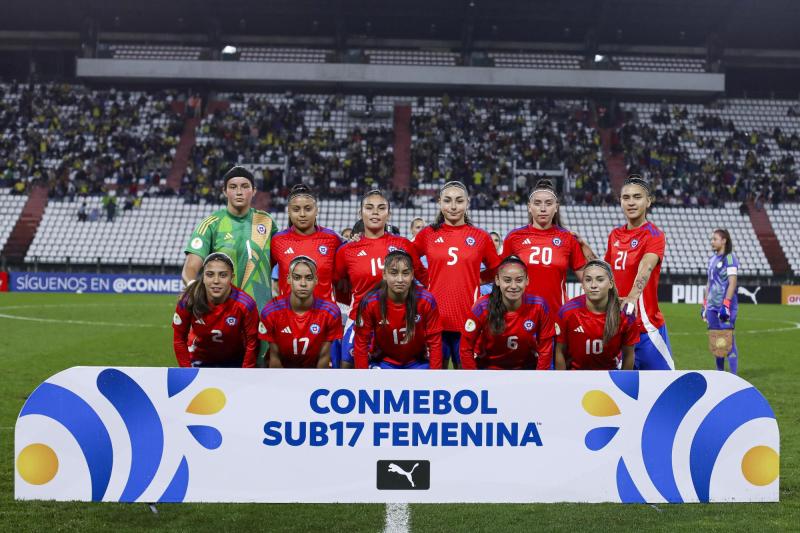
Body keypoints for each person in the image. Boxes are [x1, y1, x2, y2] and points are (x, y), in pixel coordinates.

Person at [182, 166, 278, 363]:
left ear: (254, 190)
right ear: (224, 191)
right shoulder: (211, 224)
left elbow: (282, 260)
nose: (239, 191)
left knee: (259, 375)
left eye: (245, 186)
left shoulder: (267, 222)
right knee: (219, 374)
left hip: (260, 313)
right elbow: (190, 268)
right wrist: (194, 291)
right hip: (221, 315)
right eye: (233, 187)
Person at [333, 189, 428, 368]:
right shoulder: (346, 251)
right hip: (359, 319)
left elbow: (424, 279)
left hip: (400, 320)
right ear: (360, 212)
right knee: (346, 367)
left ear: (389, 214)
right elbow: (339, 286)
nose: (375, 212)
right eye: (369, 208)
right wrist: (360, 303)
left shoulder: (403, 245)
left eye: (381, 208)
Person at [413, 181, 500, 368]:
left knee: (467, 376)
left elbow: (497, 269)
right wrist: (425, 278)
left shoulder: (480, 237)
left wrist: (479, 279)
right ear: (439, 203)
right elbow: (409, 257)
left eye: (459, 201)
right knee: (437, 375)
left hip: (469, 316)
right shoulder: (428, 234)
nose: (453, 206)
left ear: (467, 202)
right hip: (436, 317)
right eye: (448, 201)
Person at [605, 175, 674, 370]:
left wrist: (632, 297)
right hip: (618, 330)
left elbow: (646, 266)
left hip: (646, 330)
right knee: (620, 394)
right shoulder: (614, 235)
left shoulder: (654, 234)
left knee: (666, 388)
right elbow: (607, 271)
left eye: (637, 197)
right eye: (626, 198)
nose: (631, 202)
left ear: (648, 201)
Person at [503, 179, 594, 322]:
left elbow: (590, 278)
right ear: (529, 207)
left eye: (549, 203)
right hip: (520, 317)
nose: (543, 208)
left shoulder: (567, 238)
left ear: (556, 207)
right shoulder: (514, 237)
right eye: (537, 203)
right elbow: (501, 275)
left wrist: (585, 247)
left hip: (557, 317)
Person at [460, 255, 555, 370]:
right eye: (507, 280)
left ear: (527, 280)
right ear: (497, 280)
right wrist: (473, 379)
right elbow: (465, 348)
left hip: (526, 370)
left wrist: (539, 380)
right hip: (488, 371)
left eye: (519, 280)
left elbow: (545, 350)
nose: (513, 286)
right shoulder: (482, 307)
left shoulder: (539, 306)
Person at [353, 250, 442, 369]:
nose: (400, 279)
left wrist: (435, 376)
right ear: (384, 275)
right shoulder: (370, 302)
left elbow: (435, 342)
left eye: (405, 273)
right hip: (383, 362)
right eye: (394, 273)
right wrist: (363, 379)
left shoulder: (426, 300)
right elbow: (361, 343)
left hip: (417, 363)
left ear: (412, 275)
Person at [172, 252, 259, 368]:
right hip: (198, 359)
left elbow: (252, 343)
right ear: (203, 277)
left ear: (232, 278)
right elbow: (179, 339)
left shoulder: (246, 304)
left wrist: (245, 373)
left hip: (234, 361)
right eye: (210, 274)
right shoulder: (189, 300)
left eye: (223, 275)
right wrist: (186, 371)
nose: (216, 281)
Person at [259, 256, 342, 368]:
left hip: (314, 372)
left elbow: (324, 357)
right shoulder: (271, 311)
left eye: (308, 278)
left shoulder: (331, 312)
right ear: (289, 279)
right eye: (297, 277)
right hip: (280, 372)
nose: (303, 284)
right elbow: (275, 357)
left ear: (316, 280)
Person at [555, 260, 637, 370]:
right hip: (575, 378)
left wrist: (622, 384)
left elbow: (629, 355)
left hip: (611, 378)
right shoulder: (567, 312)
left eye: (600, 280)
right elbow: (559, 351)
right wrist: (563, 382)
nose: (593, 285)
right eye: (588, 280)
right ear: (583, 285)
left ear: (611, 283)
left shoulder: (625, 314)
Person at [270, 184, 344, 301]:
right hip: (288, 316)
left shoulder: (332, 239)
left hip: (324, 316)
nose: (302, 214)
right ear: (288, 211)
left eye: (308, 209)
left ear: (316, 210)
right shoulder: (277, 241)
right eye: (296, 209)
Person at [701, 229, 740, 374]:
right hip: (712, 307)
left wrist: (726, 304)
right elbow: (708, 283)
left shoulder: (730, 258)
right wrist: (705, 304)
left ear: (724, 241)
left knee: (728, 339)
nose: (712, 241)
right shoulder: (712, 259)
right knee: (717, 340)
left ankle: (734, 376)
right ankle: (720, 373)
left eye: (715, 239)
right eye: (712, 239)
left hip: (725, 307)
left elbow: (732, 282)